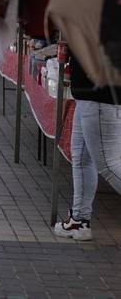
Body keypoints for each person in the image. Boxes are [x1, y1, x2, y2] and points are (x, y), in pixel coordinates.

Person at [53, 50, 121, 241]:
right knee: (82, 158)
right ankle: (79, 220)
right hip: (89, 95)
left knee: (108, 165)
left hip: (101, 96)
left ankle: (80, 219)